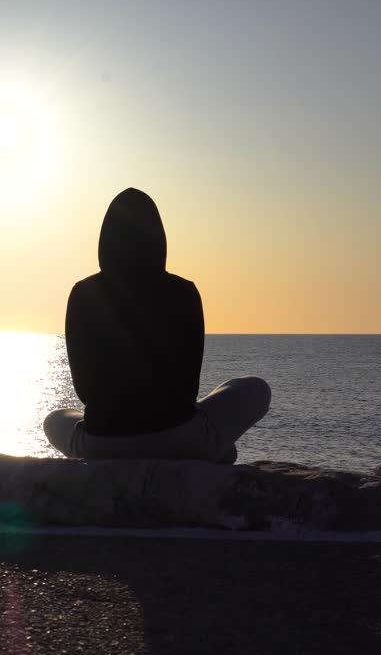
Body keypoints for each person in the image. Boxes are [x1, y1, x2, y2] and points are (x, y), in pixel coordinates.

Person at [43, 188, 271, 463]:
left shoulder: (83, 293)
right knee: (256, 389)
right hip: (177, 439)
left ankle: (203, 444)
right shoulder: (184, 292)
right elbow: (189, 388)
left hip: (100, 444)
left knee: (54, 420)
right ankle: (205, 446)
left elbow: (83, 391)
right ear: (159, 240)